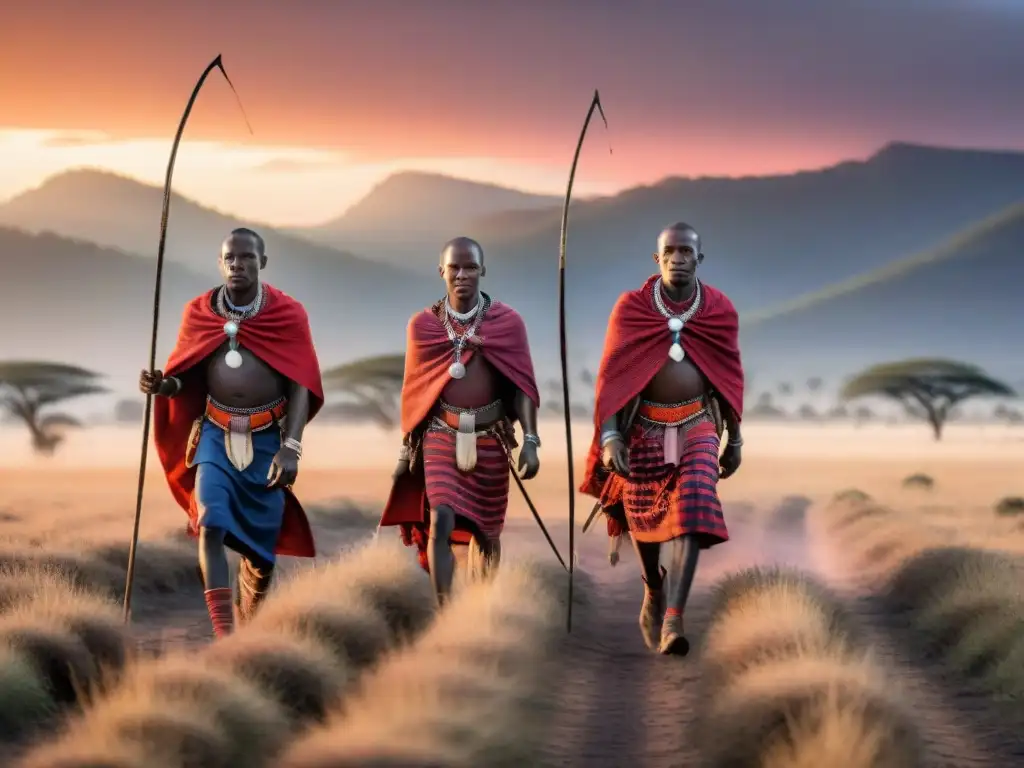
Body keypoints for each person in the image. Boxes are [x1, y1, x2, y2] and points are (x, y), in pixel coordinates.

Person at [139, 228, 324, 638]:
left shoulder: (287, 313)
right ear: (220, 263)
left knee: (261, 555)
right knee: (211, 521)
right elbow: (183, 378)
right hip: (214, 435)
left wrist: (291, 447)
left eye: (247, 258)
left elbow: (302, 384)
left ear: (262, 263)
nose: (238, 265)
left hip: (266, 440)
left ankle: (249, 621)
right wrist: (161, 386)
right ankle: (225, 636)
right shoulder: (199, 313)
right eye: (230, 259)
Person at [580, 222, 744, 656]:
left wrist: (736, 439)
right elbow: (612, 377)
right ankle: (654, 587)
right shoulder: (631, 308)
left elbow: (728, 376)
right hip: (644, 425)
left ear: (699, 258)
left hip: (698, 423)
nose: (677, 258)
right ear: (657, 259)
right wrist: (612, 435)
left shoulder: (719, 309)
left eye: (686, 251)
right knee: (643, 519)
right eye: (669, 251)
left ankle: (675, 618)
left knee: (693, 507)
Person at [378, 237, 541, 606]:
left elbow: (523, 386)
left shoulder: (507, 323)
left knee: (488, 533)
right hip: (440, 434)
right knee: (442, 518)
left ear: (483, 270)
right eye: (455, 267)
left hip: (491, 438)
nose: (462, 274)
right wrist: (407, 450)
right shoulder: (422, 326)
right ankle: (446, 612)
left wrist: (531, 439)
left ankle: (481, 609)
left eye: (470, 267)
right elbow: (415, 391)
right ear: (442, 272)